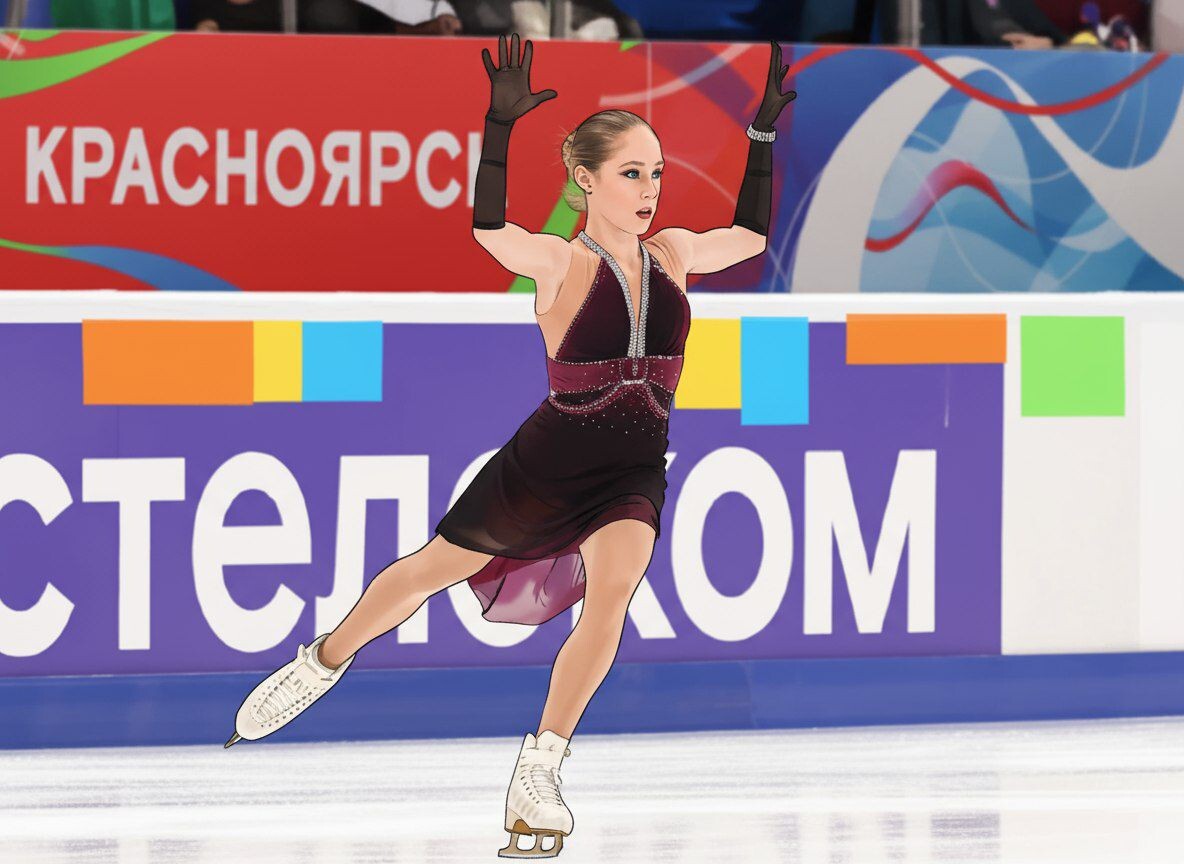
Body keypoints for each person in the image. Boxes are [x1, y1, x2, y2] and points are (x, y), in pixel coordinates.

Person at [224, 33, 795, 860]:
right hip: (548, 463)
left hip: (634, 469)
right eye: (631, 173)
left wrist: (762, 136)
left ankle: (541, 767)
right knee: (431, 569)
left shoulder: (672, 254)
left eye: (657, 173)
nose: (648, 189)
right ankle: (323, 660)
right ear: (585, 180)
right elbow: (489, 228)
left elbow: (747, 235)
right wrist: (499, 130)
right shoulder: (560, 262)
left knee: (613, 596)